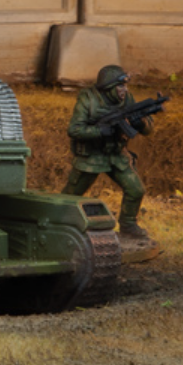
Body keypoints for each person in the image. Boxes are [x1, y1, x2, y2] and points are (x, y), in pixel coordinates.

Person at [62, 64, 154, 245]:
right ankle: (59, 225)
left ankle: (128, 225)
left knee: (136, 190)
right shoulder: (88, 99)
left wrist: (140, 123)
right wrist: (100, 131)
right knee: (69, 197)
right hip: (91, 156)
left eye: (125, 86)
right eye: (120, 86)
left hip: (116, 154)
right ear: (109, 87)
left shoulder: (127, 99)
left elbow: (148, 129)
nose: (125, 90)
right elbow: (74, 129)